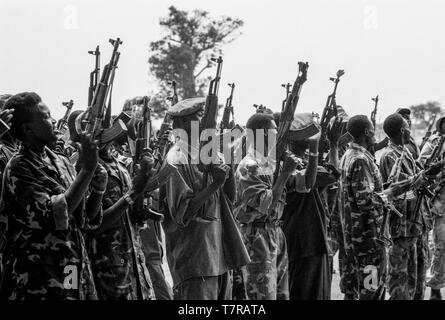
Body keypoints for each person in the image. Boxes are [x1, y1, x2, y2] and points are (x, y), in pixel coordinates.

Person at [0, 92, 105, 299]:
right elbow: (52, 216)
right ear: (27, 129)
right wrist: (86, 170)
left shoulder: (61, 162)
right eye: (46, 117)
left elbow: (82, 220)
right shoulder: (19, 167)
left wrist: (98, 188)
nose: (53, 121)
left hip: (71, 268)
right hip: (37, 280)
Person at [163, 98, 250, 300]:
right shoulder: (176, 159)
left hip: (219, 257)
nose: (207, 123)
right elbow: (182, 214)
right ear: (185, 125)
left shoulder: (212, 154)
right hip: (195, 260)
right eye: (200, 118)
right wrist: (214, 185)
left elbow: (231, 200)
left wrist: (228, 162)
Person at [234, 112, 299, 300]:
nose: (277, 136)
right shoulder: (250, 166)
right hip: (257, 236)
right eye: (273, 132)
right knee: (261, 296)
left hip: (274, 231)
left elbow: (305, 185)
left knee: (281, 294)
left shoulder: (269, 163)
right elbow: (266, 204)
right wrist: (285, 173)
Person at [281, 113, 340, 300]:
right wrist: (332, 145)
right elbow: (330, 174)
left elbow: (331, 174)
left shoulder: (296, 163)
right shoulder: (291, 166)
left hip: (307, 240)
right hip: (304, 242)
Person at [380, 113, 436, 300]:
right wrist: (419, 179)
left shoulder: (405, 152)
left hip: (415, 225)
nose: (410, 129)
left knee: (417, 279)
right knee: (400, 279)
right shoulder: (390, 156)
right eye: (408, 126)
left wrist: (428, 175)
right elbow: (395, 191)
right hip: (402, 227)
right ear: (403, 130)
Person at [339, 115, 390, 300]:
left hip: (356, 236)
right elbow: (366, 202)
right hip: (368, 238)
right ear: (367, 132)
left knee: (358, 288)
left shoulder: (348, 155)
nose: (375, 135)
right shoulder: (360, 159)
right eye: (373, 131)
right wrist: (390, 193)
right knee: (371, 287)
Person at [420, 116, 445, 300]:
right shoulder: (435, 142)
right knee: (440, 245)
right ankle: (434, 286)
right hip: (439, 202)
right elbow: (423, 167)